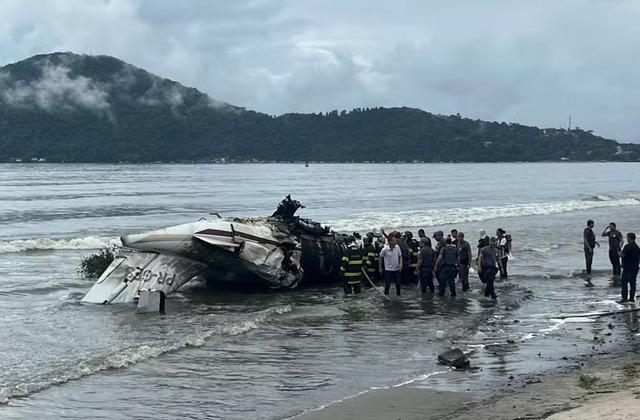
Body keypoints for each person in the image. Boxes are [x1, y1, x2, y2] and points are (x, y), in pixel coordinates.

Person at [620, 233, 640, 302]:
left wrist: (619, 254)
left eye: (627, 238)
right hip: (635, 267)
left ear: (629, 238)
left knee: (624, 282)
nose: (627, 239)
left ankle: (624, 298)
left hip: (627, 267)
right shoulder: (637, 247)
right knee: (632, 283)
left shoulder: (627, 246)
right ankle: (631, 298)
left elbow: (623, 255)